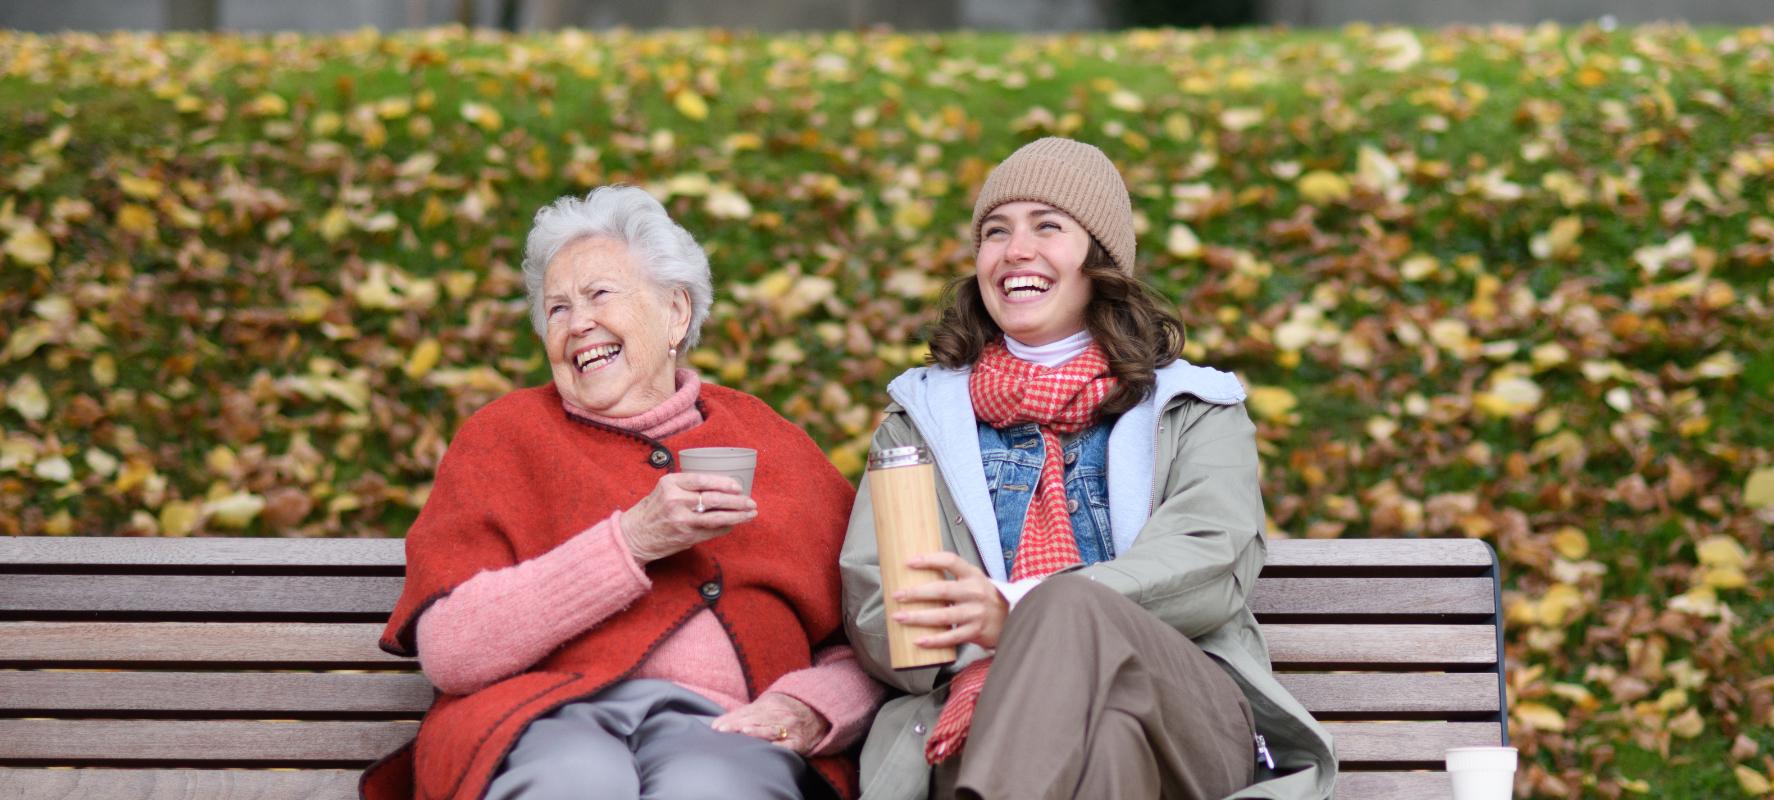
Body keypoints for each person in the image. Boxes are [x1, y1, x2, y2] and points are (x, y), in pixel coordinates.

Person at [840, 138, 1337, 800]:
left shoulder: (1195, 408)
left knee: (1070, 605)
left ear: (1100, 259)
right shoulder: (917, 424)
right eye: (996, 231)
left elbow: (1210, 561)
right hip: (977, 718)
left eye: (1048, 226)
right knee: (1105, 738)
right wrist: (983, 648)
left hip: (1187, 723)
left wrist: (1016, 616)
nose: (1016, 250)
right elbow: (882, 605)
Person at [362, 186, 883, 800]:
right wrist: (630, 542)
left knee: (716, 787)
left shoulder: (775, 445)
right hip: (540, 717)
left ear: (676, 314)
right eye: (556, 309)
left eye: (600, 294)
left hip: (724, 729)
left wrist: (812, 708)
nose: (579, 322)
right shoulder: (503, 439)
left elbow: (869, 643)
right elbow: (451, 651)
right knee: (573, 781)